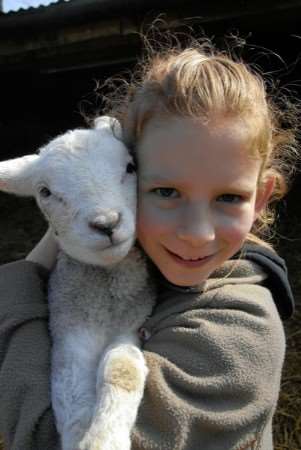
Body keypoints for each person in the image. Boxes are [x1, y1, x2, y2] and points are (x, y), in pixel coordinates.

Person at [0, 38, 298, 450]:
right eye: (165, 191)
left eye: (229, 197)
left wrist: (15, 291)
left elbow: (46, 438)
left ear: (261, 197)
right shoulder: (122, 269)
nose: (197, 233)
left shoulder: (241, 332)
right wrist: (72, 215)